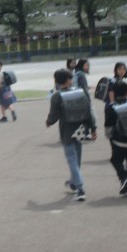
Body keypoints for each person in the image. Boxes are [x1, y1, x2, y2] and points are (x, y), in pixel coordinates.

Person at [46, 69, 97, 202]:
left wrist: (48, 122)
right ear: (69, 80)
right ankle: (74, 182)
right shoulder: (80, 92)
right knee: (77, 158)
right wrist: (93, 128)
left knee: (72, 160)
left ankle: (80, 188)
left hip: (67, 131)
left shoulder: (57, 96)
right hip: (81, 129)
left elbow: (53, 115)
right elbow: (88, 112)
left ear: (57, 81)